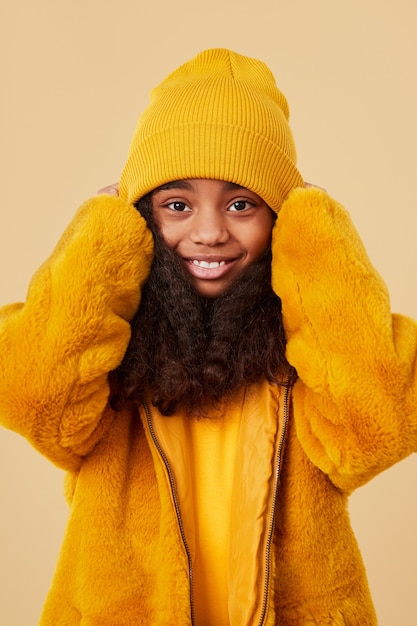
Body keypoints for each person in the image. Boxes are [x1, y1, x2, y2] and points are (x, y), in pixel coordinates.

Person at [0, 47, 416, 626]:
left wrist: (317, 231)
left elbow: (381, 423)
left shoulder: (307, 350)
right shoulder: (104, 349)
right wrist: (102, 236)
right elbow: (35, 399)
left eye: (243, 203)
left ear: (279, 219)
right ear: (141, 215)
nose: (210, 231)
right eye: (176, 204)